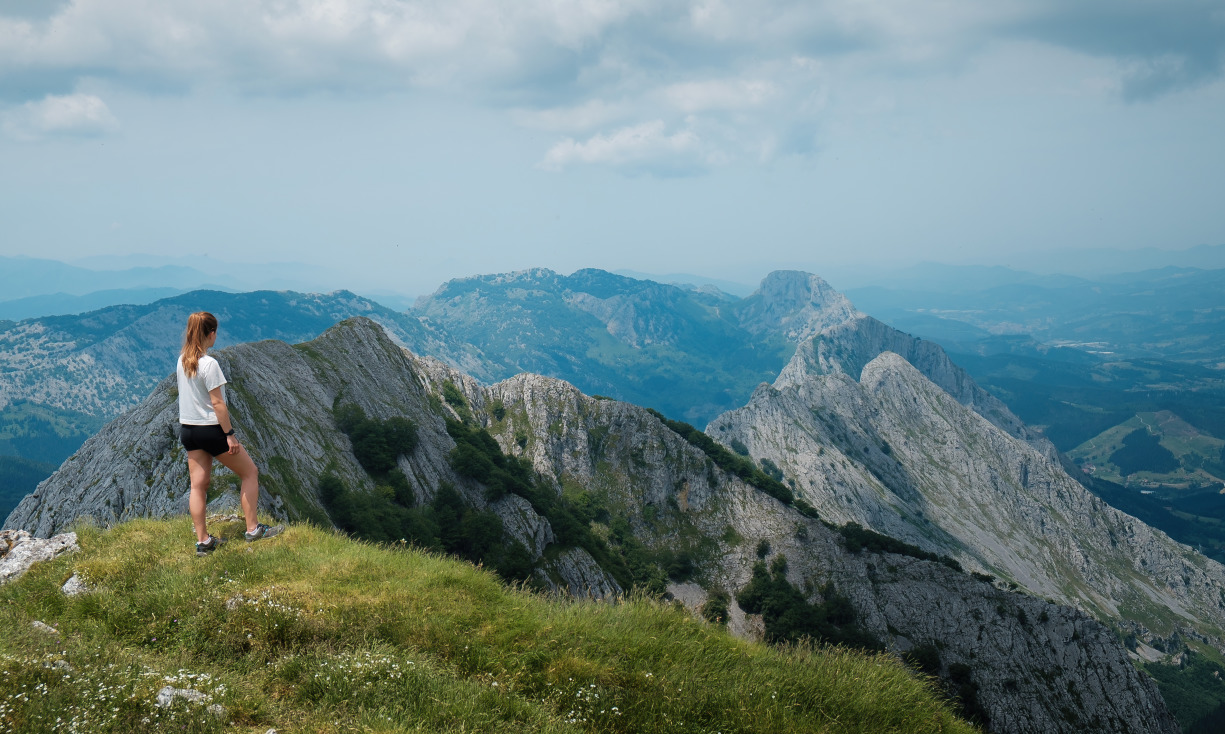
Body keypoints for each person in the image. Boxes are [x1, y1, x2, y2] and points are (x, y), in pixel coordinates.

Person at [177, 311, 283, 556]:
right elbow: (218, 404)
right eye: (216, 332)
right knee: (250, 472)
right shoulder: (209, 364)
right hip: (210, 430)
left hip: (188, 431)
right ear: (210, 333)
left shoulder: (183, 360)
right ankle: (253, 529)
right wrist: (230, 434)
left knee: (198, 486)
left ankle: (203, 542)